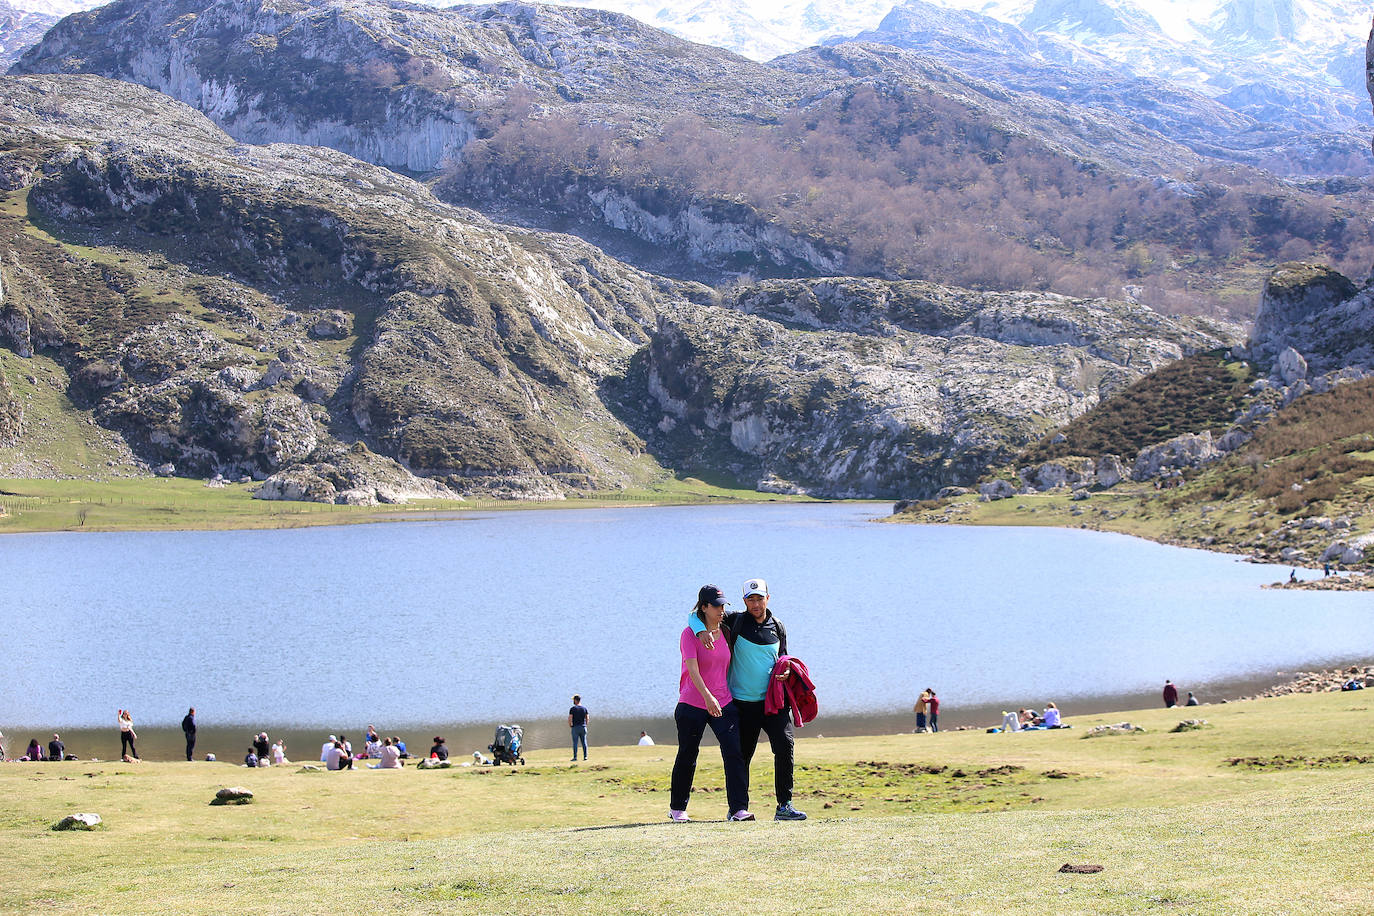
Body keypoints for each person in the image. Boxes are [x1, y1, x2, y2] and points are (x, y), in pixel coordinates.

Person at [690, 577, 806, 821]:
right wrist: (701, 631)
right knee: (742, 756)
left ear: (768, 598)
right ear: (744, 601)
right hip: (742, 704)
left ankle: (784, 806)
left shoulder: (778, 626)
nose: (755, 604)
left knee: (785, 748)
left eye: (759, 598)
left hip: (774, 703)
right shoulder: (735, 621)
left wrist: (785, 671)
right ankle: (738, 808)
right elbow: (694, 616)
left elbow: (783, 656)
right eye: (750, 599)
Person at [671, 584, 751, 822]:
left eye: (723, 605)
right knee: (688, 754)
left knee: (734, 753)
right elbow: (692, 670)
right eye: (716, 606)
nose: (721, 610)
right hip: (693, 703)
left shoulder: (726, 631)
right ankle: (678, 809)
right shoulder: (689, 634)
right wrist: (708, 697)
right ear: (704, 607)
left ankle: (738, 809)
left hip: (723, 702)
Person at [568, 695, 590, 761]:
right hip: (583, 727)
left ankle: (575, 757)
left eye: (573, 700)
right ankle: (585, 757)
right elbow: (587, 718)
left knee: (575, 743)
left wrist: (570, 725)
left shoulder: (573, 709)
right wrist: (585, 725)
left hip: (575, 727)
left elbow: (570, 718)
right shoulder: (584, 708)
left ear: (575, 700)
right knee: (584, 742)